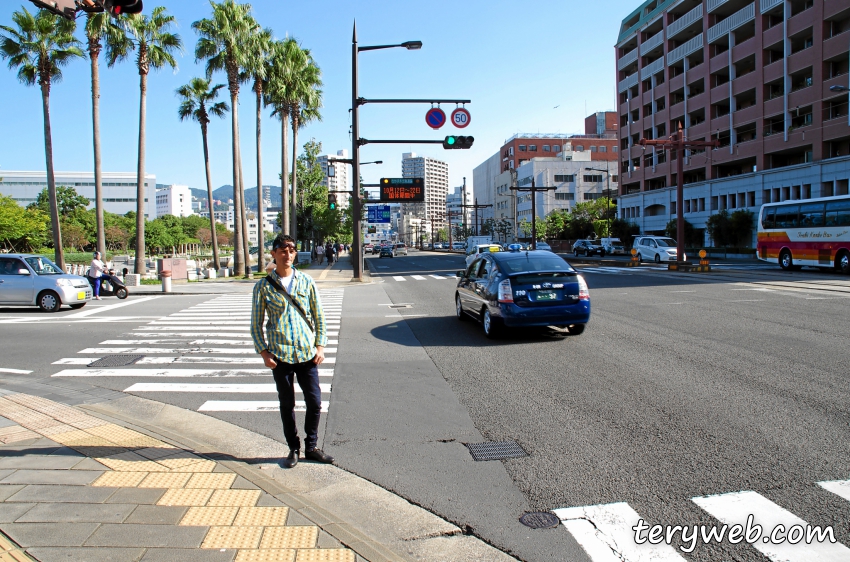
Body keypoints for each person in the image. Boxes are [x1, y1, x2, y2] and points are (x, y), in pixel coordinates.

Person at [251, 234, 333, 468]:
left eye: (292, 250)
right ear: (274, 254)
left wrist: (320, 345)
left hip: (307, 353)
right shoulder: (263, 287)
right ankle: (293, 448)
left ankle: (312, 447)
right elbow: (255, 324)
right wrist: (264, 352)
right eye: (283, 251)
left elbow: (319, 316)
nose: (288, 255)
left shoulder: (307, 281)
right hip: (280, 356)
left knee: (315, 402)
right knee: (287, 404)